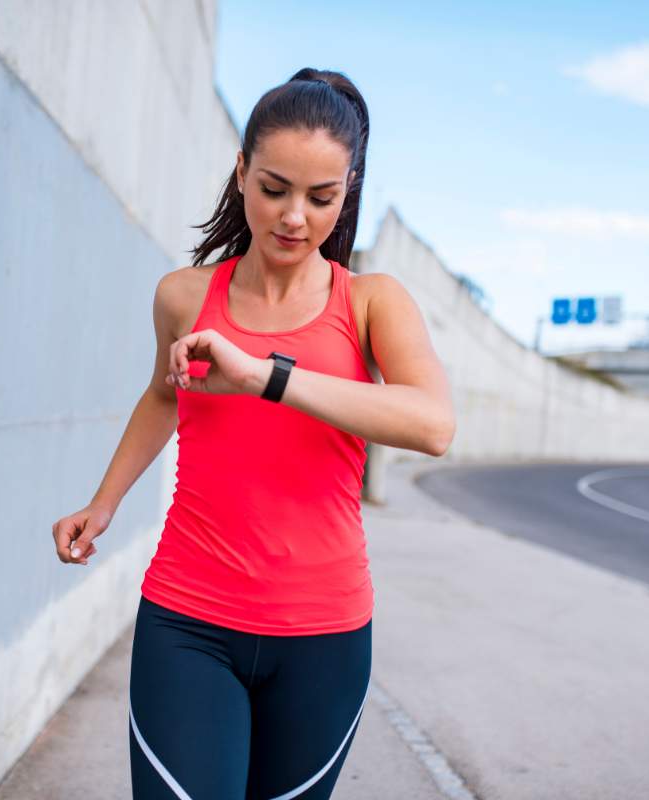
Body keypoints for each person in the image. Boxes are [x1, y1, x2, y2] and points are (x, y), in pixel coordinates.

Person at [51, 67, 455, 799]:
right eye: (274, 188)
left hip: (325, 636)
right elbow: (161, 398)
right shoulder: (183, 296)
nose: (294, 216)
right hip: (188, 621)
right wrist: (103, 503)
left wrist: (266, 375)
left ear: (348, 191)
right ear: (241, 173)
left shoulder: (371, 304)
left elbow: (433, 425)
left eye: (321, 197)